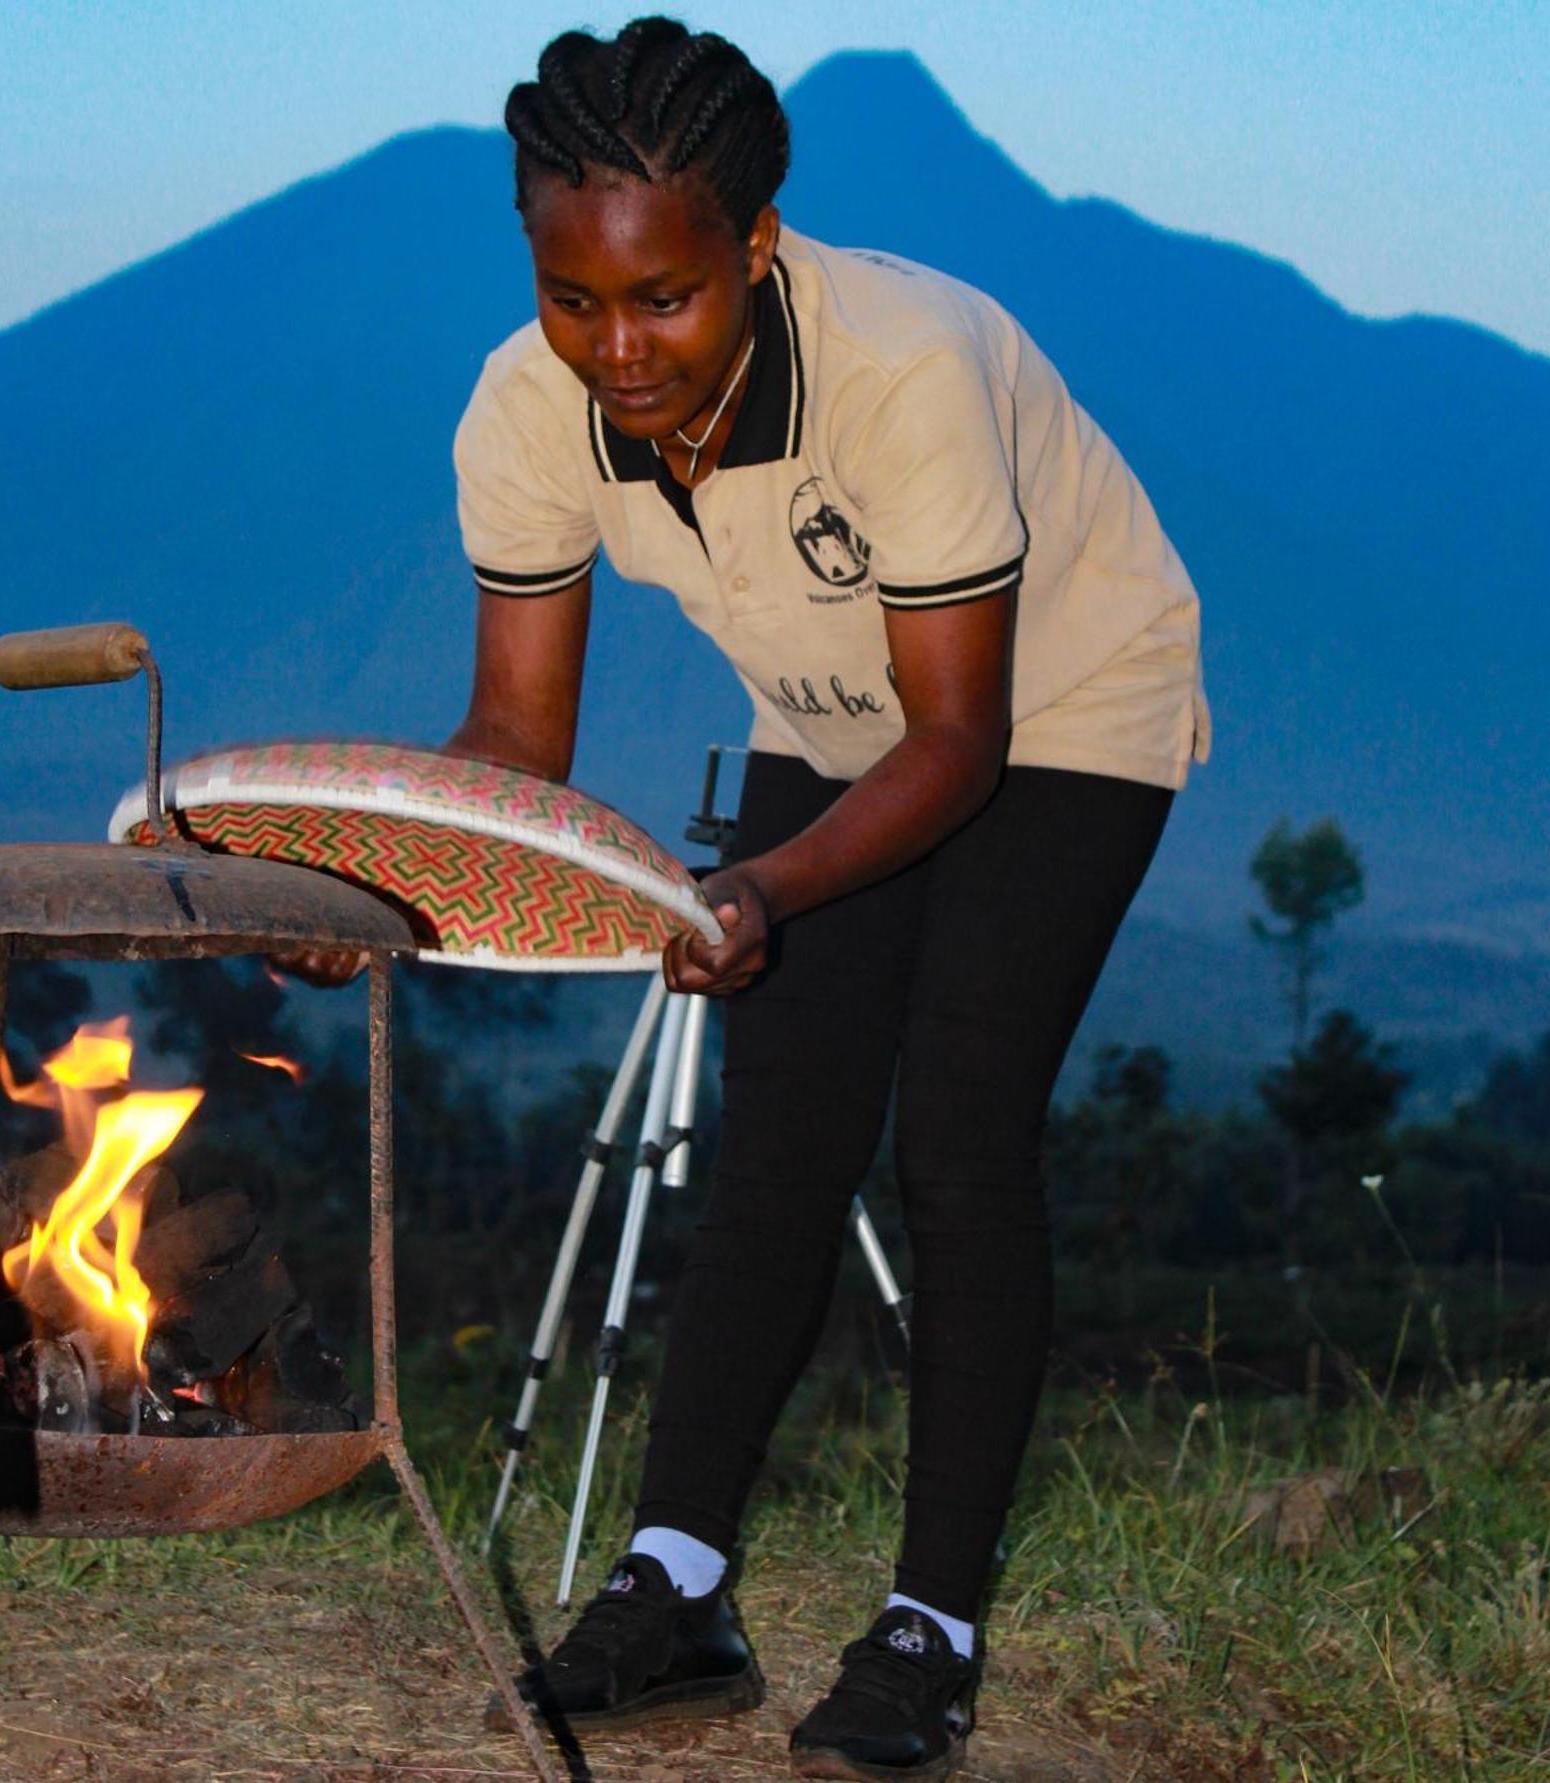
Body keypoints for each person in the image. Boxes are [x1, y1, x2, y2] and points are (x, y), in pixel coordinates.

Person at [449, 19, 1209, 1780]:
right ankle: (678, 1587)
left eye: (664, 300)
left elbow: (962, 738)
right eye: (574, 300)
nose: (617, 349)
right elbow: (512, 735)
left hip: (1065, 707)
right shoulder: (522, 407)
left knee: (955, 1128)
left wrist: (761, 892)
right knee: (782, 1130)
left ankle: (930, 1628)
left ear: (758, 248)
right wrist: (362, 881)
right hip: (832, 717)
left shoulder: (902, 369)